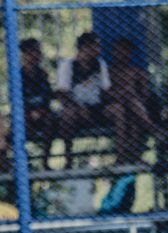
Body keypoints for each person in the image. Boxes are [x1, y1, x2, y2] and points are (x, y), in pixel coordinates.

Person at [56, 32, 112, 169]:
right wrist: (78, 107)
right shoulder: (68, 65)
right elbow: (62, 93)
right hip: (77, 109)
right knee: (67, 115)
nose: (98, 50)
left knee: (118, 110)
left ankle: (124, 156)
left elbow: (106, 90)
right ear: (84, 47)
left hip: (96, 107)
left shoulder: (99, 64)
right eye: (95, 46)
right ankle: (68, 159)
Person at [105, 37, 157, 164]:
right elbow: (104, 94)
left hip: (134, 107)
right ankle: (151, 127)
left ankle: (131, 156)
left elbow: (145, 94)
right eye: (118, 51)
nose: (121, 54)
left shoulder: (138, 72)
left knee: (132, 115)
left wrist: (130, 95)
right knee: (123, 106)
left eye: (125, 51)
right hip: (112, 107)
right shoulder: (108, 72)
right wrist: (121, 94)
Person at [20, 38, 55, 169]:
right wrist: (29, 113)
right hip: (25, 114)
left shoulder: (42, 74)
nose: (37, 55)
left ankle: (45, 161)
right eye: (33, 52)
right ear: (25, 54)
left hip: (43, 113)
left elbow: (47, 98)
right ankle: (24, 162)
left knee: (50, 119)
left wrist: (40, 111)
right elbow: (17, 102)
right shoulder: (19, 75)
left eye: (38, 52)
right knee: (22, 123)